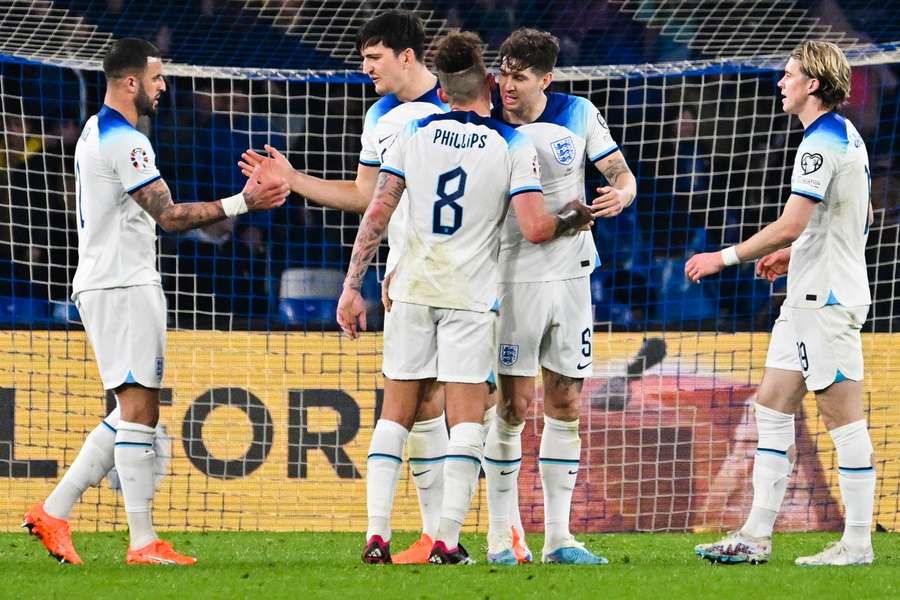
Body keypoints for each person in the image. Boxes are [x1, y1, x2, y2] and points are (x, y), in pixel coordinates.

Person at [23, 38, 289, 565]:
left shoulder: (97, 131)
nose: (164, 86)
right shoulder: (125, 140)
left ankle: (54, 511)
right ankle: (142, 543)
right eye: (157, 78)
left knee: (129, 410)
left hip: (109, 280)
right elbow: (167, 216)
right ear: (130, 82)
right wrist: (244, 201)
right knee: (140, 411)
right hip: (122, 284)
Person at [336, 30, 593, 565]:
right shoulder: (510, 144)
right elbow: (537, 228)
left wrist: (352, 284)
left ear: (445, 92)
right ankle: (446, 543)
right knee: (468, 420)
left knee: (394, 415)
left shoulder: (410, 133)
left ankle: (376, 535)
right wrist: (576, 214)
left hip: (410, 289)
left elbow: (377, 213)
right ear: (490, 86)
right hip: (470, 298)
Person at [238, 10, 451, 563]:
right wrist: (295, 180)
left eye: (374, 58)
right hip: (410, 279)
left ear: (407, 56)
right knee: (423, 403)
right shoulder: (380, 115)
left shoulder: (459, 102)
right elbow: (366, 197)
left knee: (475, 406)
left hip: (473, 280)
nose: (366, 69)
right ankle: (425, 536)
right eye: (362, 59)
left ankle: (484, 537)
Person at [687, 40, 876, 566]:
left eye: (789, 74)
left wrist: (723, 258)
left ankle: (858, 543)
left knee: (845, 422)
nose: (780, 83)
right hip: (808, 295)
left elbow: (794, 220)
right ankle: (754, 536)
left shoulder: (818, 144)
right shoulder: (846, 135)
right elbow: (849, 220)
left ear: (813, 84)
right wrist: (797, 254)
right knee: (771, 407)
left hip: (826, 300)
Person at [482, 28, 636, 565]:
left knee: (566, 402)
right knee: (512, 406)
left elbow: (621, 174)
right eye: (503, 73)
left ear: (546, 79)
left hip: (571, 276)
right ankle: (500, 539)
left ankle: (560, 539)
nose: (507, 85)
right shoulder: (486, 119)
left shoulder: (579, 112)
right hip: (509, 278)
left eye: (519, 77)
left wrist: (622, 193)